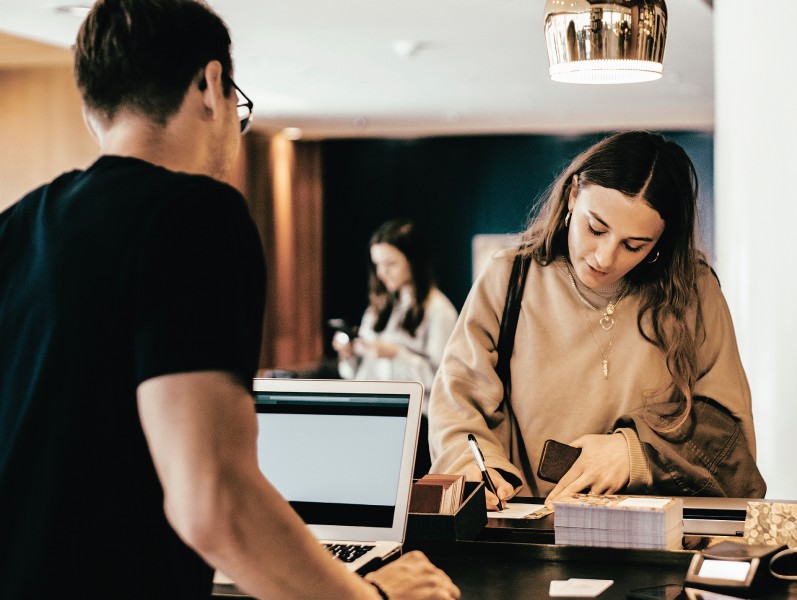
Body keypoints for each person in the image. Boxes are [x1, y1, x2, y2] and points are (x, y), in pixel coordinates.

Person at [0, 1, 459, 599]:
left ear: (93, 108)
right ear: (212, 85)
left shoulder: (15, 228)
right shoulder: (196, 215)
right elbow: (214, 498)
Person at [428, 131, 766, 510]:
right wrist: (478, 470)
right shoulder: (509, 278)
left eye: (634, 245)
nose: (605, 258)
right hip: (528, 529)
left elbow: (729, 438)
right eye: (596, 228)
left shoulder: (693, 291)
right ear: (573, 195)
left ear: (661, 241)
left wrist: (633, 454)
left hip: (655, 537)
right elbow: (457, 404)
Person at [334, 218, 458, 477]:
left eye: (391, 264)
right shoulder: (379, 308)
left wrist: (395, 354)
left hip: (414, 423)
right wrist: (349, 357)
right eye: (378, 265)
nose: (382, 273)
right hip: (371, 415)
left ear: (413, 262)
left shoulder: (439, 311)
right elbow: (357, 374)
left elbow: (443, 381)